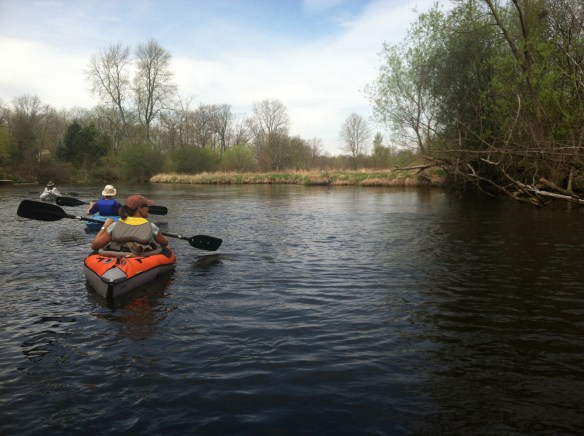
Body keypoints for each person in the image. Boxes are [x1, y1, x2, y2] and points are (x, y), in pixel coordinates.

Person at [91, 194, 169, 254]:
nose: (148, 208)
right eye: (146, 206)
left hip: (118, 256)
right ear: (139, 208)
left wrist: (105, 226)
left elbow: (95, 245)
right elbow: (164, 243)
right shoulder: (151, 226)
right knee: (167, 248)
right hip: (140, 259)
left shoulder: (115, 225)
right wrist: (163, 237)